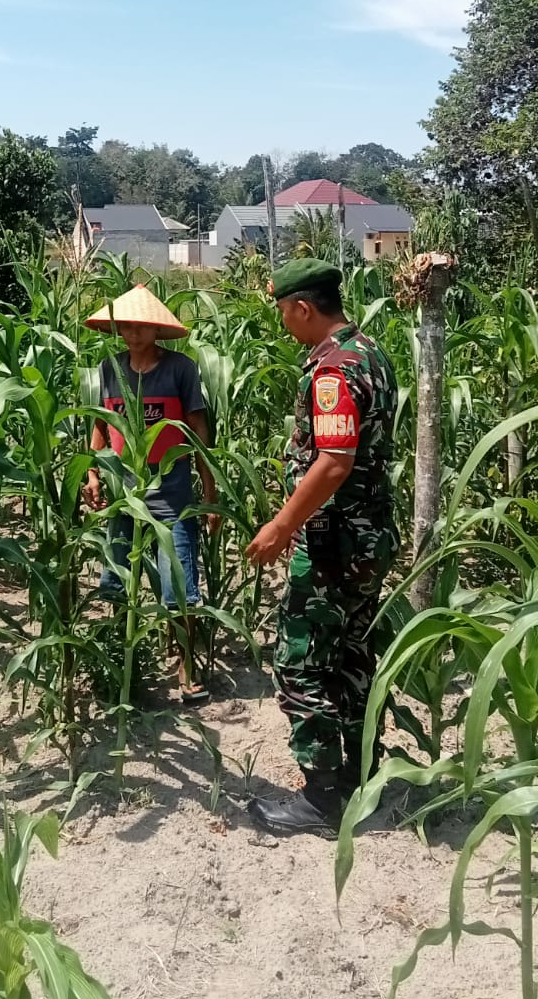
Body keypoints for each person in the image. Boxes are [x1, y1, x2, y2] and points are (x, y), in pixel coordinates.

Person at [244, 258, 398, 836]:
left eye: (285, 313)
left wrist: (282, 526)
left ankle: (321, 798)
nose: (285, 323)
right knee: (354, 655)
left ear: (304, 308)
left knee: (301, 663)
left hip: (335, 540)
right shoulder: (373, 354)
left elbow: (333, 462)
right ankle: (361, 776)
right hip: (370, 534)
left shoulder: (332, 371)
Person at [83, 285, 217, 702]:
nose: (132, 332)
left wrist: (209, 492)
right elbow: (101, 426)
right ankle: (122, 665)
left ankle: (186, 668)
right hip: (122, 493)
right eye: (125, 325)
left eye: (140, 325)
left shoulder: (180, 369)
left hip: (171, 497)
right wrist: (92, 473)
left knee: (180, 587)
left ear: (156, 329)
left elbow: (197, 430)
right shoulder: (110, 369)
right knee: (117, 581)